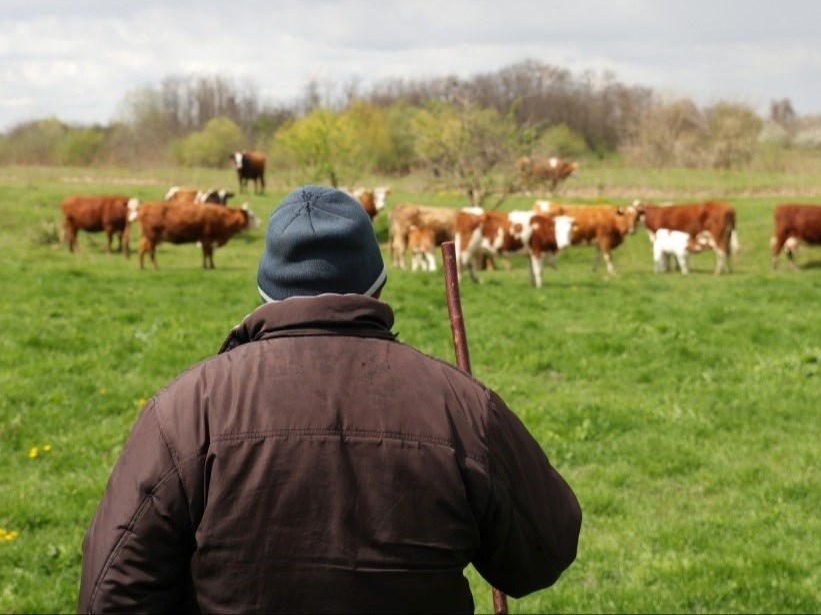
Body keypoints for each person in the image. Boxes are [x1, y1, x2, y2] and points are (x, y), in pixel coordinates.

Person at [79, 185, 581, 613]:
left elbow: (109, 593)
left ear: (264, 292)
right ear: (377, 287)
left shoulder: (187, 409)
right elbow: (545, 550)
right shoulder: (460, 406)